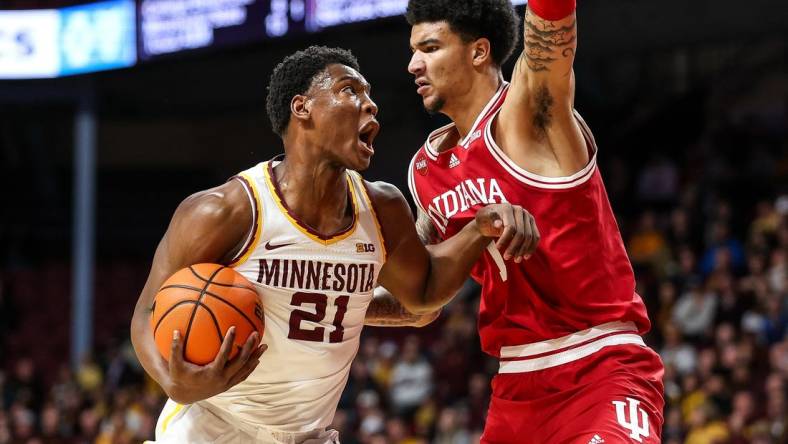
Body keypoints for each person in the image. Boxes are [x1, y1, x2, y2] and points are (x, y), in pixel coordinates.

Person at [129, 46, 538, 444]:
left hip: (310, 434)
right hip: (214, 427)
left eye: (371, 96)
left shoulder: (382, 208)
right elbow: (148, 310)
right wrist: (173, 382)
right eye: (349, 90)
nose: (370, 105)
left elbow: (424, 297)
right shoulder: (226, 210)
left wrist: (480, 228)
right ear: (302, 107)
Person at [402, 0, 666, 442]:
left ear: (479, 52)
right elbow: (419, 302)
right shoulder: (426, 171)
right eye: (413, 50)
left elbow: (551, 22)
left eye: (429, 47)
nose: (413, 64)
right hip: (514, 391)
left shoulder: (529, 113)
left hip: (600, 367)